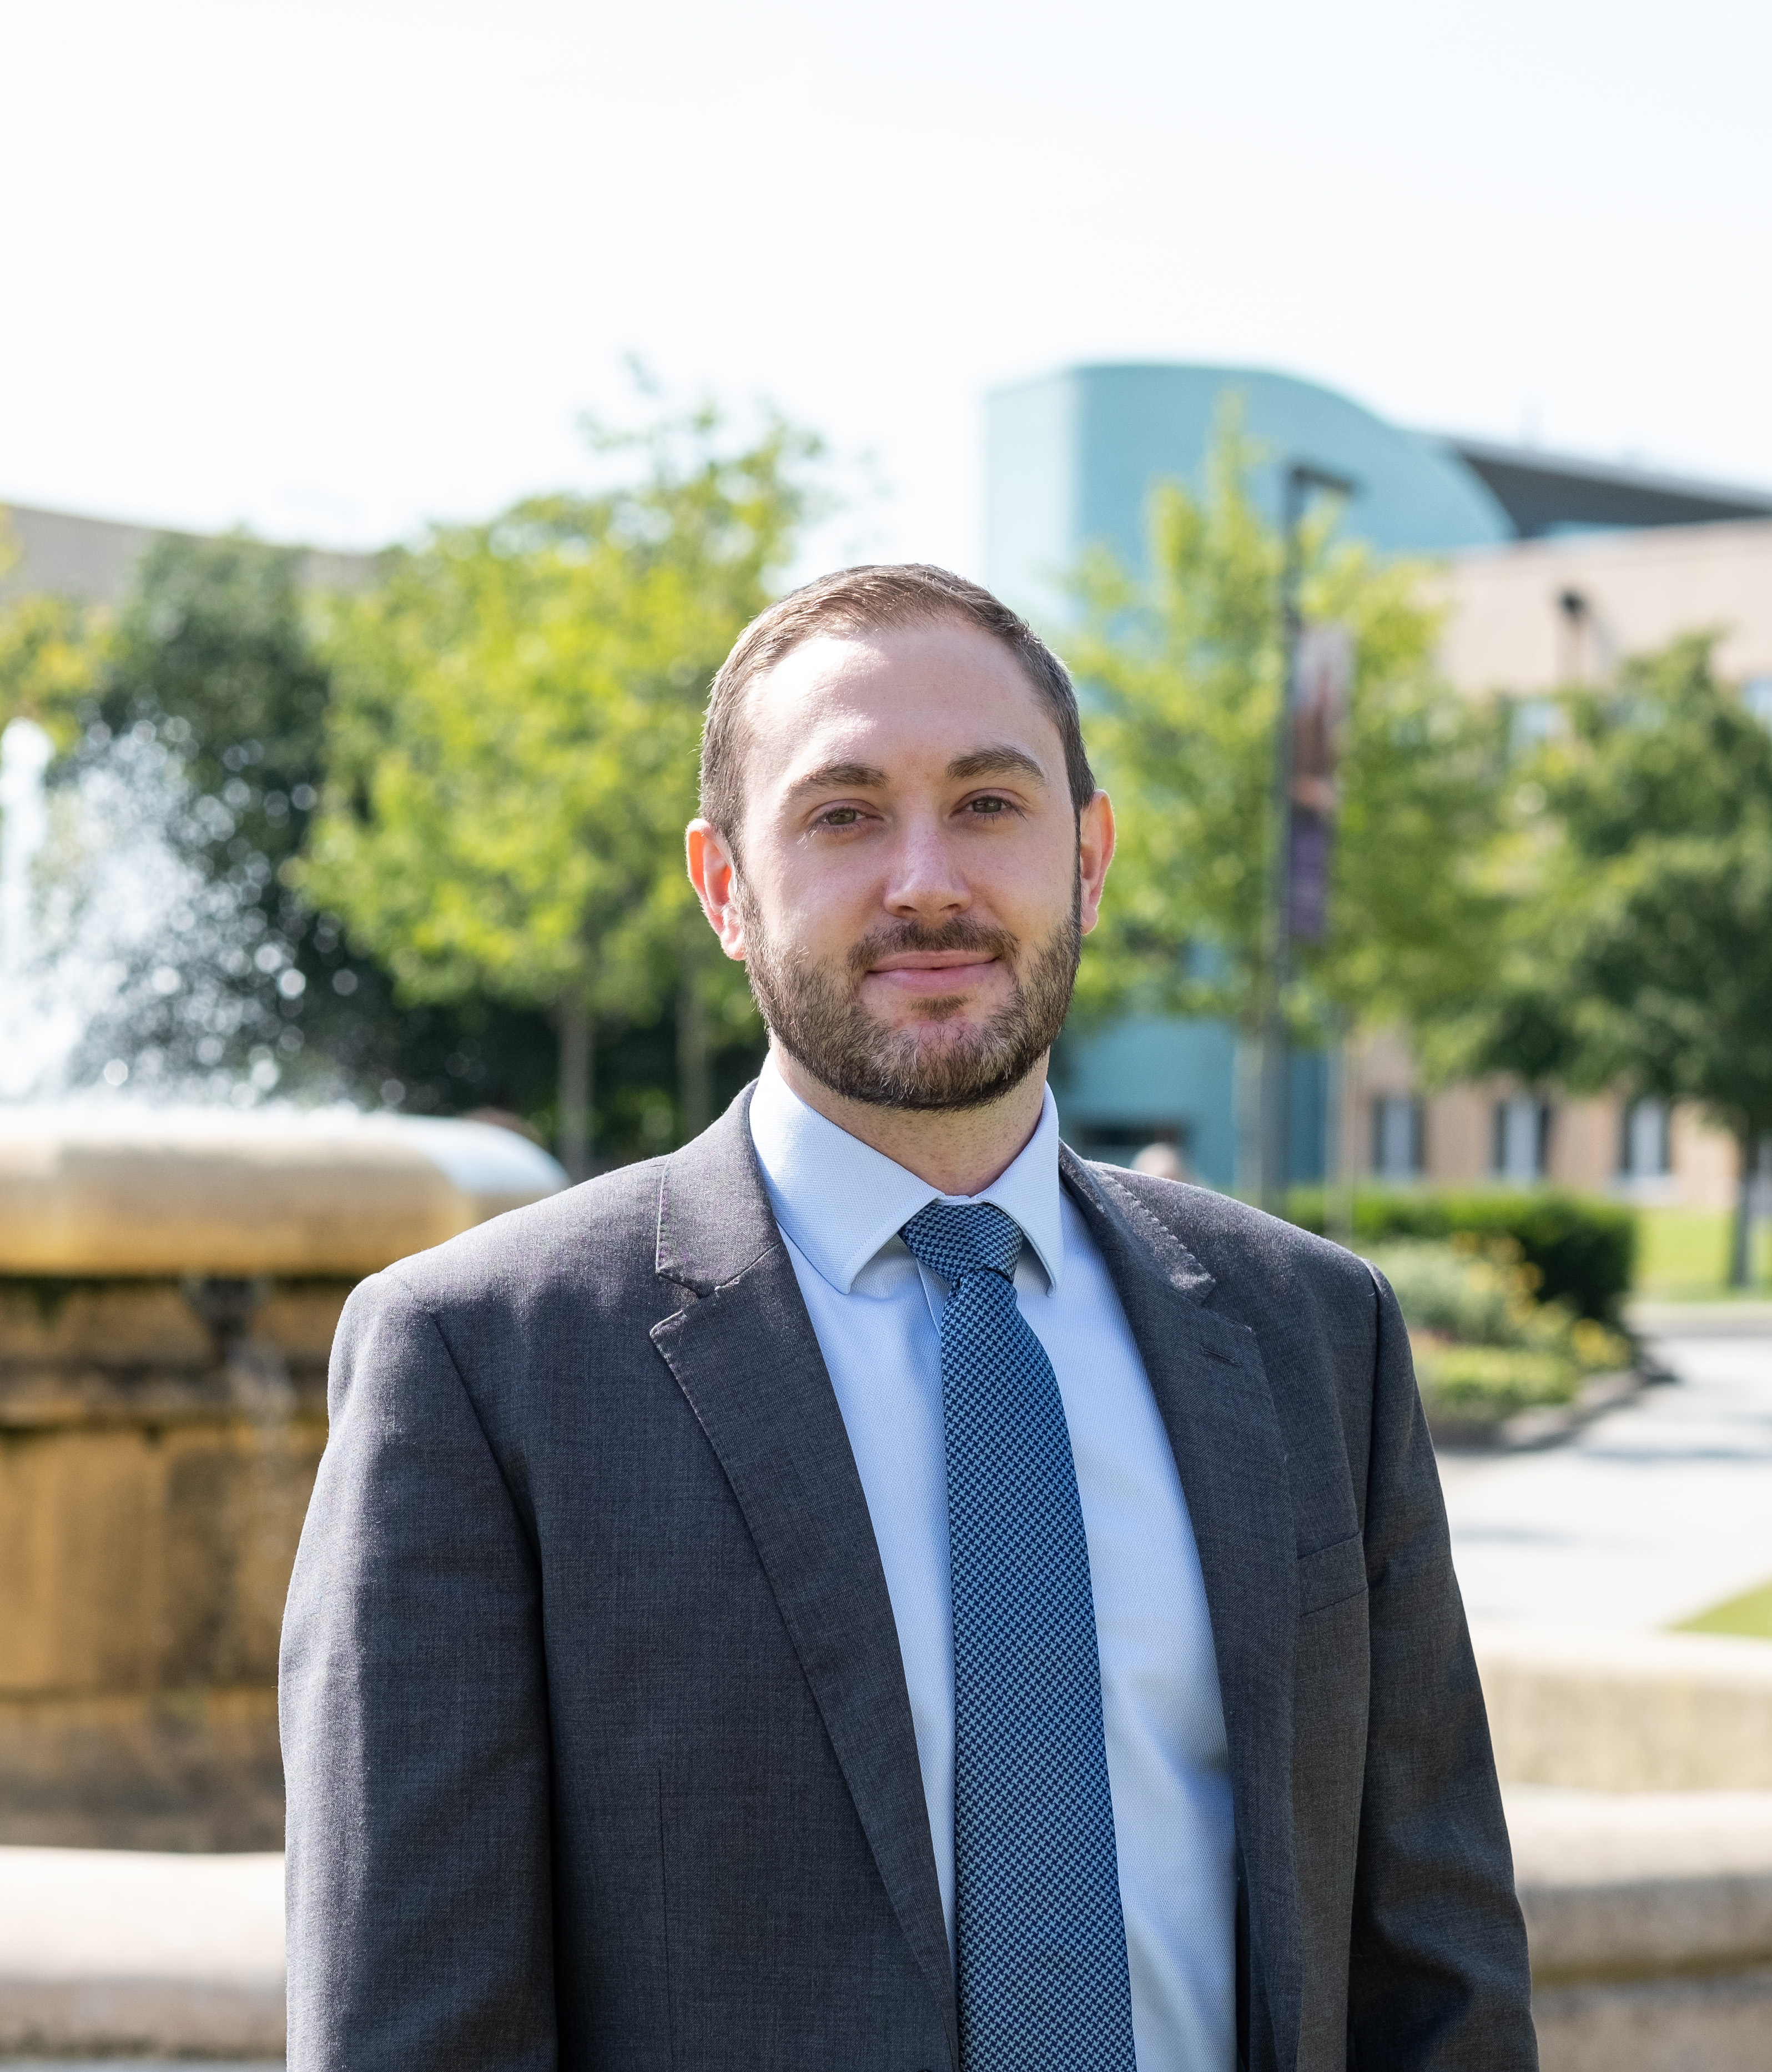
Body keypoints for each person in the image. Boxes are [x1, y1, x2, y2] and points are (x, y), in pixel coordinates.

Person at [280, 564, 1536, 2072]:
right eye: (845, 813)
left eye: (991, 804)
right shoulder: (484, 1366)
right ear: (725, 886)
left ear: (1090, 852)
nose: (926, 879)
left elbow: (1440, 1979)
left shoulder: (1316, 1334)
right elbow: (414, 2034)